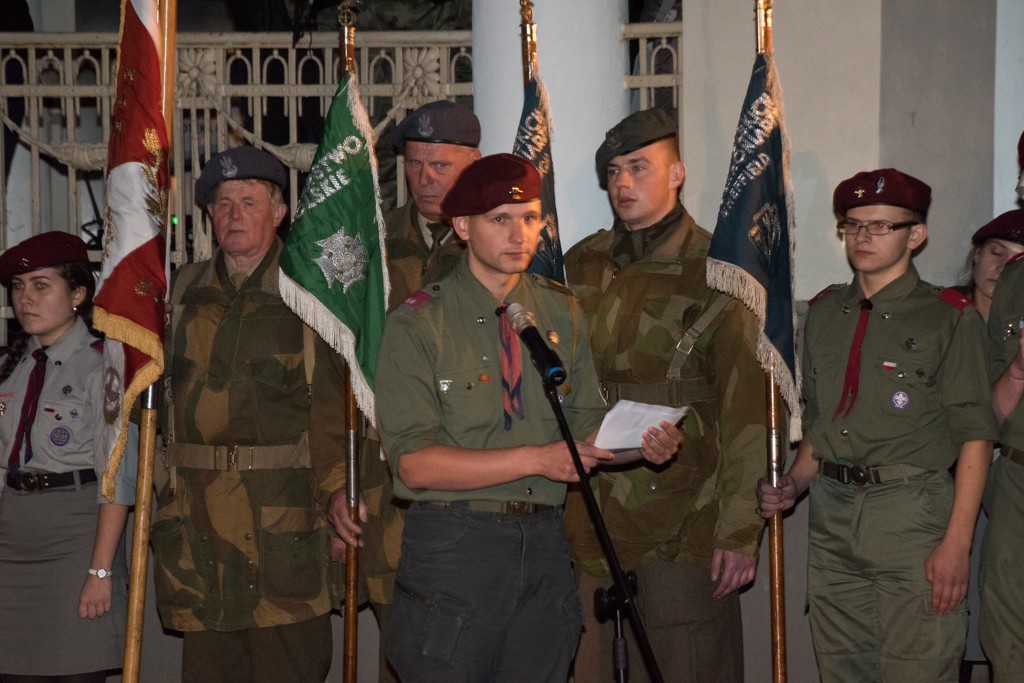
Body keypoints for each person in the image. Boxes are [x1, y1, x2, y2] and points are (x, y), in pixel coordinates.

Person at [374, 153, 683, 681]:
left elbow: (583, 428)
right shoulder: (420, 322)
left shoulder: (559, 311)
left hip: (543, 541)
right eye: (500, 219)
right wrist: (537, 459)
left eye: (530, 218)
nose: (520, 234)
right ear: (463, 226)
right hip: (456, 543)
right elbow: (413, 465)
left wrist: (639, 444)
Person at [757, 168, 998, 681]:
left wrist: (957, 544)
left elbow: (976, 437)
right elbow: (822, 427)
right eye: (853, 224)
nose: (863, 236)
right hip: (832, 514)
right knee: (842, 667)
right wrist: (793, 483)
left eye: (881, 225)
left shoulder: (948, 318)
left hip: (911, 514)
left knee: (919, 664)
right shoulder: (824, 312)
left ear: (916, 235)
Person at [563, 108, 767, 682]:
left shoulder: (719, 270)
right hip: (592, 516)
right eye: (613, 172)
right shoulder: (581, 263)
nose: (623, 182)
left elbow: (748, 408)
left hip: (685, 520)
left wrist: (739, 529)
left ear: (676, 174)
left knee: (688, 666)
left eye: (639, 167)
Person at [150, 146, 348, 682]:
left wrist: (340, 498)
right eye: (223, 203)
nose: (234, 215)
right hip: (198, 527)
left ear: (279, 213)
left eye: (250, 202)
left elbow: (339, 411)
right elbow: (152, 404)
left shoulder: (312, 292)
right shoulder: (181, 293)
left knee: (290, 667)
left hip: (283, 524)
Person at [351, 99, 479, 683]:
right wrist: (337, 483)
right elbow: (338, 372)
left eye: (440, 165)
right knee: (402, 657)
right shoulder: (372, 247)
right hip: (388, 494)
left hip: (477, 487)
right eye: (415, 164)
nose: (425, 178)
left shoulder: (497, 244)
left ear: (473, 162)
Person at [0, 231, 136, 682]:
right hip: (12, 541)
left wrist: (100, 570)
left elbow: (117, 478)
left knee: (74, 669)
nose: (26, 298)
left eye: (41, 285)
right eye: (18, 286)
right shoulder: (11, 367)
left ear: (78, 294)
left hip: (74, 541)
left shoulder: (105, 365)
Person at [956, 210, 1024, 679]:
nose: (1003, 266)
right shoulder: (947, 316)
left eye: (1016, 258)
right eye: (996, 253)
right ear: (976, 256)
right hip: (965, 478)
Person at [978, 226, 1024, 682]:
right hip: (1015, 480)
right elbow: (990, 411)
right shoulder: (1014, 279)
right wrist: (1017, 371)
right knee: (1009, 642)